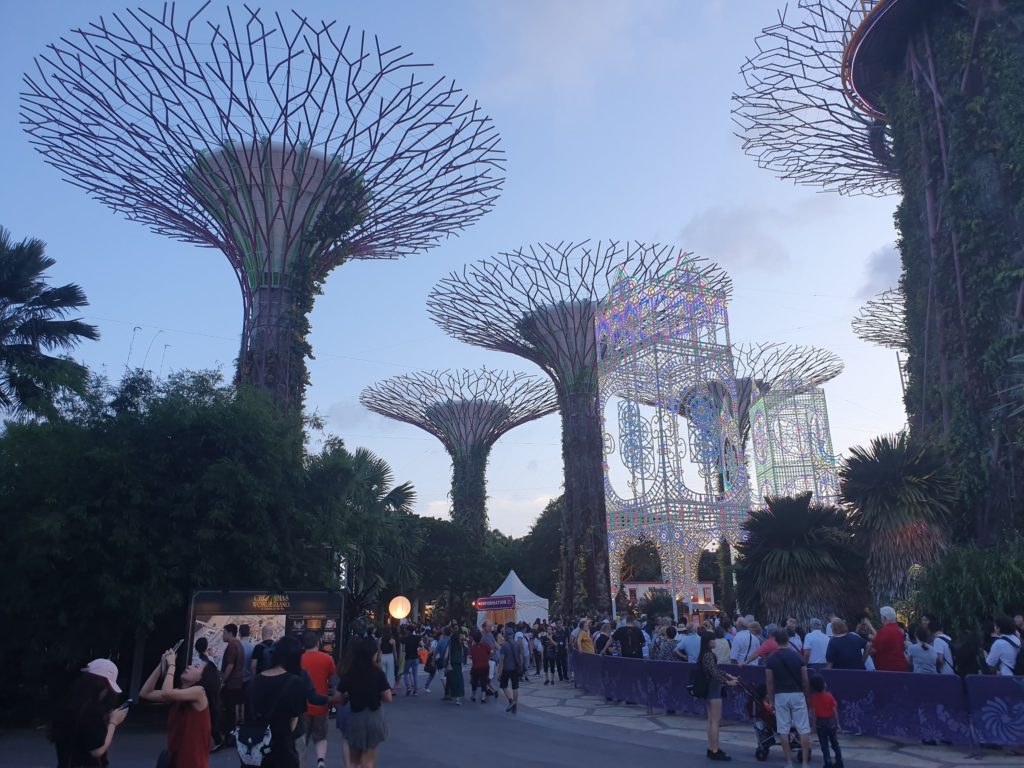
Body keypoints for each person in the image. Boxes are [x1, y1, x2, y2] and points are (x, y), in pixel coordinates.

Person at [140, 648, 219, 768]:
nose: (189, 666)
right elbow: (145, 693)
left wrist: (171, 665)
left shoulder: (199, 693)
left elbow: (167, 693)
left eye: (196, 667)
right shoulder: (179, 694)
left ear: (201, 679)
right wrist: (161, 665)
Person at [246, 635, 309, 768]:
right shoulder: (295, 683)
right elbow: (293, 725)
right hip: (283, 749)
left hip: (256, 747)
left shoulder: (254, 682)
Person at [52, 659, 127, 768]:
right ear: (102, 685)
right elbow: (97, 750)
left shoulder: (69, 703)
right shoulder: (90, 710)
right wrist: (113, 723)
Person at [337, 638, 393, 768]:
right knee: (369, 760)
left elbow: (337, 696)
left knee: (354, 760)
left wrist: (346, 698)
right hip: (374, 715)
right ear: (373, 654)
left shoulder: (350, 673)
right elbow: (388, 698)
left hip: (356, 716)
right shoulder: (378, 673)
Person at [765, 628, 812, 768]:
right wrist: (806, 695)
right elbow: (805, 679)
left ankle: (788, 762)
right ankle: (804, 762)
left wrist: (771, 699)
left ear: (775, 640)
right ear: (788, 639)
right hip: (797, 694)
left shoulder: (771, 658)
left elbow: (769, 682)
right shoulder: (797, 656)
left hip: (780, 695)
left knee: (783, 729)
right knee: (803, 728)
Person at [696, 629, 739, 762]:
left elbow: (714, 669)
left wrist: (727, 675)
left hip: (709, 688)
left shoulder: (704, 654)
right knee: (715, 721)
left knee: (711, 720)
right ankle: (715, 749)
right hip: (713, 689)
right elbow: (714, 671)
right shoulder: (708, 655)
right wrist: (728, 681)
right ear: (708, 642)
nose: (715, 641)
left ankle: (712, 747)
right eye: (713, 640)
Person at [299, 631, 335, 768]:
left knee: (302, 739)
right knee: (320, 736)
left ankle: (302, 764)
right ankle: (320, 760)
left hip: (303, 706)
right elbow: (334, 679)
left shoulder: (298, 660)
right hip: (321, 704)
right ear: (317, 642)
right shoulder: (327, 659)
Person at [220, 623, 246, 743]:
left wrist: (222, 680)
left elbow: (230, 665)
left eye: (224, 632)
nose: (222, 635)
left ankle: (228, 737)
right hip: (237, 682)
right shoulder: (239, 644)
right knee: (232, 711)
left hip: (230, 684)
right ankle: (232, 735)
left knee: (228, 710)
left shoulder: (231, 646)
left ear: (230, 633)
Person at [810, 675, 843, 768]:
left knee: (824, 744)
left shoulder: (814, 698)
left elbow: (814, 713)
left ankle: (828, 762)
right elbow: (834, 711)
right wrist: (838, 724)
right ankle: (839, 761)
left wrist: (813, 725)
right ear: (824, 685)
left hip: (820, 723)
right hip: (831, 722)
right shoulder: (829, 696)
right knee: (835, 743)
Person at [871, 607, 909, 672]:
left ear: (884, 618)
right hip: (901, 668)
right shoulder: (899, 631)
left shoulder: (884, 631)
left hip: (887, 669)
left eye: (881, 616)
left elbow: (874, 650)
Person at [498, 627, 522, 714]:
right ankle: (515, 705)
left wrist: (499, 672)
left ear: (506, 636)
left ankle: (511, 701)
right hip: (515, 668)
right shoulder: (517, 644)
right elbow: (520, 657)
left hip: (506, 669)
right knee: (515, 687)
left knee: (503, 686)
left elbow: (501, 660)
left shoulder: (504, 646)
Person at [444, 627, 466, 705]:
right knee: (459, 681)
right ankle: (458, 698)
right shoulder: (460, 644)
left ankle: (450, 695)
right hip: (458, 664)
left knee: (451, 681)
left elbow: (446, 654)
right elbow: (463, 653)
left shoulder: (450, 642)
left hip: (452, 664)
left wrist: (445, 662)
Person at [468, 630, 491, 703]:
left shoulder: (473, 647)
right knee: (484, 681)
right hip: (485, 666)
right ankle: (483, 697)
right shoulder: (486, 645)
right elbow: (491, 652)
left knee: (474, 681)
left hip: (476, 667)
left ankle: (473, 696)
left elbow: (470, 656)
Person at [401, 627, 420, 696]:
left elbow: (402, 645)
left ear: (408, 631)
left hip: (408, 657)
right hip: (415, 657)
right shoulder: (417, 638)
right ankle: (416, 690)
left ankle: (408, 687)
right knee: (415, 675)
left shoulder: (405, 638)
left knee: (405, 673)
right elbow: (420, 644)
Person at [377, 629, 397, 693]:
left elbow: (378, 650)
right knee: (390, 673)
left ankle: (382, 687)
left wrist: (377, 658)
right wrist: (396, 659)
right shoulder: (392, 640)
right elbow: (394, 651)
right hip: (390, 656)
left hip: (383, 655)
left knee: (383, 673)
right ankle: (390, 688)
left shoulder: (380, 640)